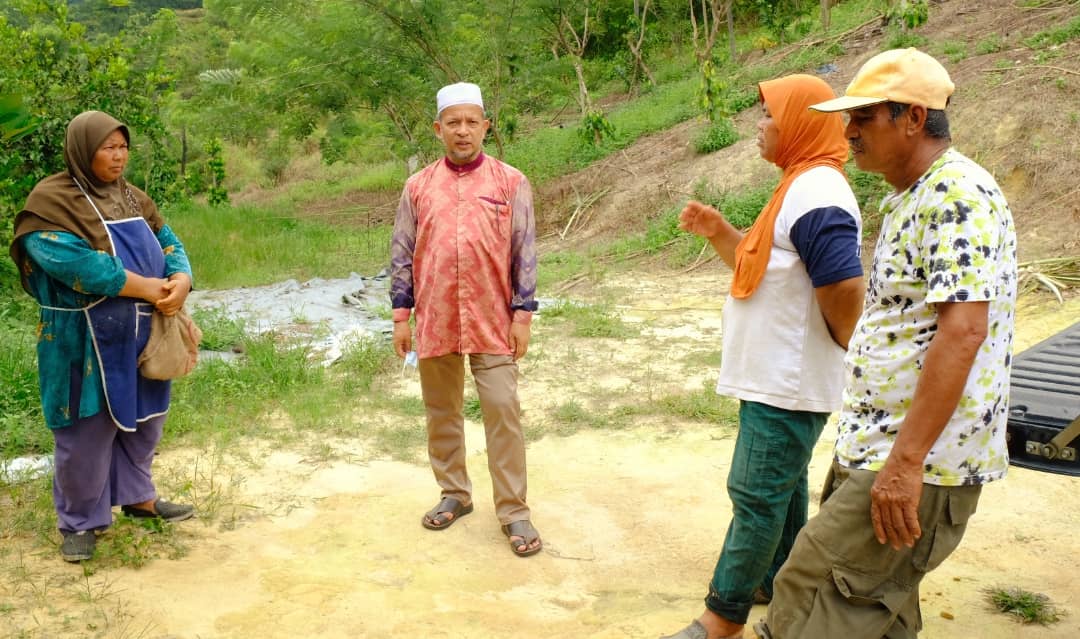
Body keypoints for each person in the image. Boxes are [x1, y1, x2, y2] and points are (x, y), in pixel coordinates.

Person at [755, 48, 1018, 639]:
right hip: (886, 448)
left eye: (863, 118)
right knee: (877, 609)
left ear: (913, 118)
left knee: (810, 592)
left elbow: (964, 330)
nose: (847, 132)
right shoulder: (914, 196)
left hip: (919, 461)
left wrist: (904, 463)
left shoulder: (957, 197)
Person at [661, 74, 865, 639]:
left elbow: (844, 286)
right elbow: (768, 272)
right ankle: (777, 580)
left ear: (800, 123)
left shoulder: (817, 191)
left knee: (756, 493)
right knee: (783, 489)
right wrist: (720, 231)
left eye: (770, 115)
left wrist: (838, 344)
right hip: (779, 378)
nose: (760, 125)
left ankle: (721, 617)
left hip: (788, 381)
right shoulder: (798, 185)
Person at [10, 110, 196, 563]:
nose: (119, 156)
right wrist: (149, 287)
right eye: (108, 148)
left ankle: (139, 497)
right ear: (82, 149)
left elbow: (169, 241)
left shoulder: (131, 197)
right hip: (81, 337)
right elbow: (77, 265)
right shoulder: (51, 202)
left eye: (124, 147)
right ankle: (80, 522)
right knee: (85, 430)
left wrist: (181, 279)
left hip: (142, 330)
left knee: (146, 418)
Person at [389, 82, 542, 557]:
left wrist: (524, 315)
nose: (462, 131)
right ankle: (454, 493)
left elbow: (525, 252)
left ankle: (514, 511)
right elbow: (401, 252)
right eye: (452, 122)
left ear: (485, 126)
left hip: (494, 317)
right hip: (435, 316)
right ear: (438, 129)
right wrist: (401, 315)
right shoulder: (417, 187)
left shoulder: (510, 182)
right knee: (442, 411)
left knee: (502, 410)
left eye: (471, 122)